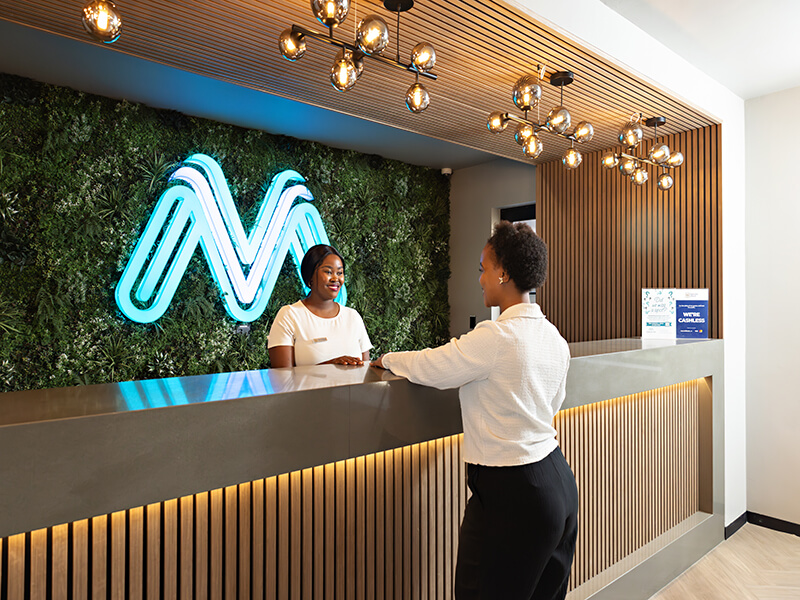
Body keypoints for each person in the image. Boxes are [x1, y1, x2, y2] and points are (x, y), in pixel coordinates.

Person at [372, 221, 578, 599]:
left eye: (483, 269)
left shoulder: (497, 336)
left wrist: (385, 359)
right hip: (559, 484)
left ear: (503, 273)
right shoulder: (554, 337)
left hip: (512, 492)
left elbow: (432, 366)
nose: (480, 279)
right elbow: (554, 402)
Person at [268, 244, 372, 367]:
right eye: (328, 272)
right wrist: (329, 366)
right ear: (310, 276)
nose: (335, 278)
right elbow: (282, 376)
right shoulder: (289, 315)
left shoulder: (353, 317)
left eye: (340, 273)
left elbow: (365, 371)